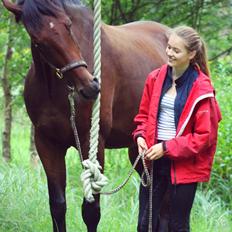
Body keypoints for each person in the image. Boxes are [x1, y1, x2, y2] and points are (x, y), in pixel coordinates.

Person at [132, 25, 222, 232]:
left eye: (176, 50)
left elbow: (204, 137)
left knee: (174, 226)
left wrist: (166, 148)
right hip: (154, 160)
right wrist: (140, 136)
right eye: (169, 47)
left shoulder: (202, 88)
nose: (169, 53)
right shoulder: (155, 78)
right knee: (144, 225)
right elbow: (143, 117)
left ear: (191, 54)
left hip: (184, 165)